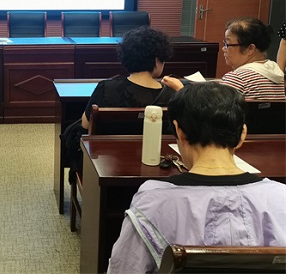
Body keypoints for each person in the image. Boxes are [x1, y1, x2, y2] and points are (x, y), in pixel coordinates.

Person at [106, 82, 286, 273]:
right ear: (242, 134)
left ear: (179, 131)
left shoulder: (152, 202)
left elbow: (124, 268)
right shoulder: (281, 197)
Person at [64, 26, 175, 182]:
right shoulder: (172, 96)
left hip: (106, 168)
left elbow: (85, 126)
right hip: (157, 169)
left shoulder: (106, 88)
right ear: (157, 61)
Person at [163, 17, 285, 100]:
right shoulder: (276, 74)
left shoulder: (239, 78)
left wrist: (180, 89)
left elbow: (208, 112)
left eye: (228, 44)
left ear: (250, 49)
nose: (223, 49)